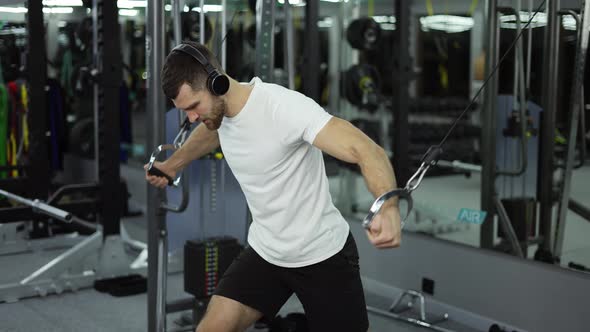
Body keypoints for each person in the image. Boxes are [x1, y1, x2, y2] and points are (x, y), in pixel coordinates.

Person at [145, 41, 401, 332]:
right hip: (266, 252)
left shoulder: (283, 108)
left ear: (216, 83)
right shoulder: (219, 115)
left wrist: (388, 205)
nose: (190, 118)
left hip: (322, 254)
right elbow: (210, 133)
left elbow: (365, 149)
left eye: (193, 106)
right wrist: (172, 166)